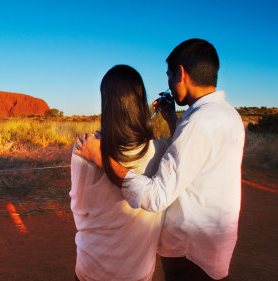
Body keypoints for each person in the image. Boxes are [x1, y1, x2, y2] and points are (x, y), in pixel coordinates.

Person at [75, 39, 245, 280]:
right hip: (213, 243)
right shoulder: (228, 115)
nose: (169, 85)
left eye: (169, 76)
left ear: (182, 73)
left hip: (190, 251)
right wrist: (172, 120)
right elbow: (195, 159)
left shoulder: (197, 124)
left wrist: (100, 158)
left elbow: (155, 197)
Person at [71, 64, 168, 281]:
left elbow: (77, 204)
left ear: (106, 102)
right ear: (139, 101)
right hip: (137, 271)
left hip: (92, 266)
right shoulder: (159, 151)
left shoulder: (84, 145)